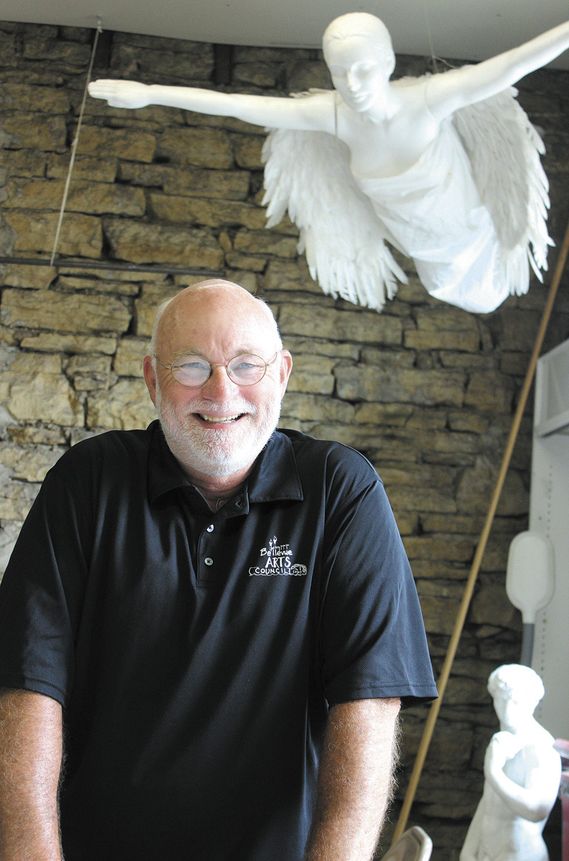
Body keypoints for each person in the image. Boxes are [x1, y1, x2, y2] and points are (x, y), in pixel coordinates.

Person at [0, 279, 437, 861]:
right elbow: (26, 689)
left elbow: (369, 703)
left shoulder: (341, 489)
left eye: (245, 366)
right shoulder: (88, 482)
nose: (221, 391)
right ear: (153, 380)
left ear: (281, 374)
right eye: (192, 366)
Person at [88, 13, 569, 314]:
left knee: (482, 294)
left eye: (362, 68)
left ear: (385, 63)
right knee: (453, 290)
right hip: (425, 251)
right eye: (340, 71)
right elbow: (239, 104)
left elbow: (511, 66)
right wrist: (149, 95)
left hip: (468, 236)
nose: (352, 83)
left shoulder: (425, 101)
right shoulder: (336, 115)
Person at [460, 664, 561, 861]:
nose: (506, 709)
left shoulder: (539, 746)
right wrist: (469, 848)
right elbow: (488, 800)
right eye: (501, 699)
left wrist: (493, 773)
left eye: (515, 702)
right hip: (487, 853)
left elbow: (537, 809)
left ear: (531, 703)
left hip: (519, 854)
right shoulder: (502, 740)